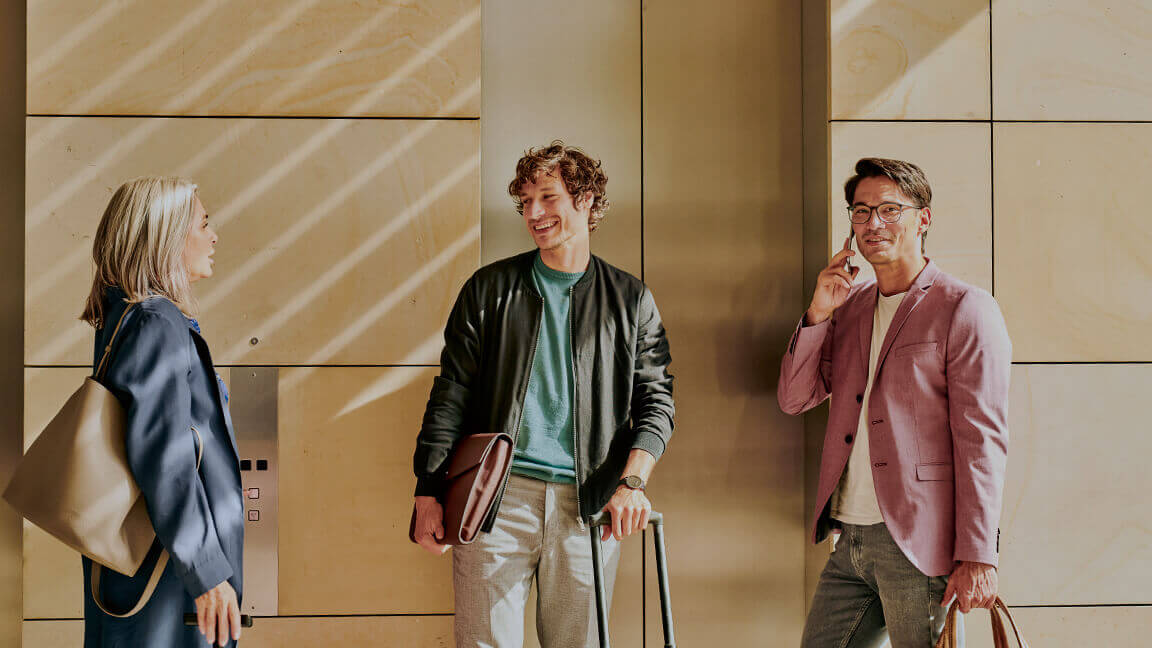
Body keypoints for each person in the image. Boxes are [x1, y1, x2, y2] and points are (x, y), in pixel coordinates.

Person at [411, 141, 675, 647]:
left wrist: (633, 483)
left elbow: (656, 403)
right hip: (495, 500)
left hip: (589, 506)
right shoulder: (488, 290)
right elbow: (451, 393)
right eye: (525, 201)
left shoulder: (630, 300)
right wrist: (428, 487)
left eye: (548, 197)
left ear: (587, 200)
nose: (534, 213)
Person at [778, 158, 1012, 647]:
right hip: (850, 540)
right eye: (861, 212)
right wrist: (820, 311)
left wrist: (979, 556)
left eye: (889, 209)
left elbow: (981, 441)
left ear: (923, 219)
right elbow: (795, 398)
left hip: (918, 541)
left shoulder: (964, 308)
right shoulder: (852, 306)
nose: (873, 224)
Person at [79, 177, 244, 647]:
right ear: (167, 238)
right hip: (167, 574)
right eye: (203, 225)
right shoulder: (155, 323)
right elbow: (166, 458)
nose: (213, 237)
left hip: (153, 563)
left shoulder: (128, 318)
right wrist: (207, 571)